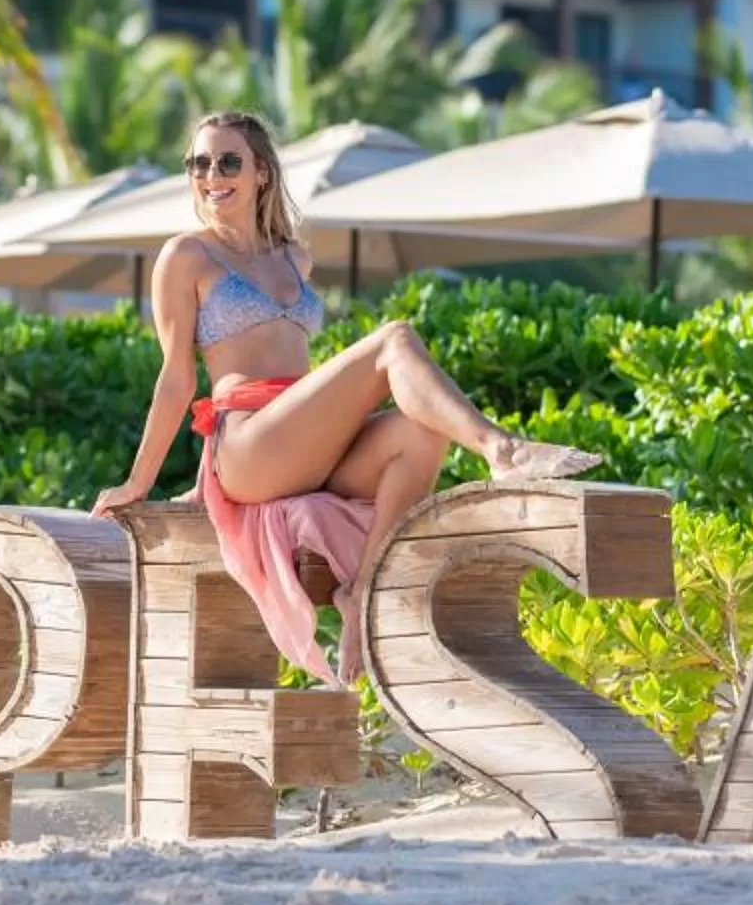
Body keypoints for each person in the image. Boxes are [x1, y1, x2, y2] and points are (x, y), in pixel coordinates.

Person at [89, 110, 596, 679]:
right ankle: (504, 451)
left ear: (262, 173)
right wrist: (139, 483)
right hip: (249, 446)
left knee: (422, 427)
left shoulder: (295, 258)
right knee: (395, 339)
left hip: (306, 445)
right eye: (199, 163)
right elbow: (177, 379)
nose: (212, 174)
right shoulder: (186, 256)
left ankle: (364, 590)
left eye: (228, 160)